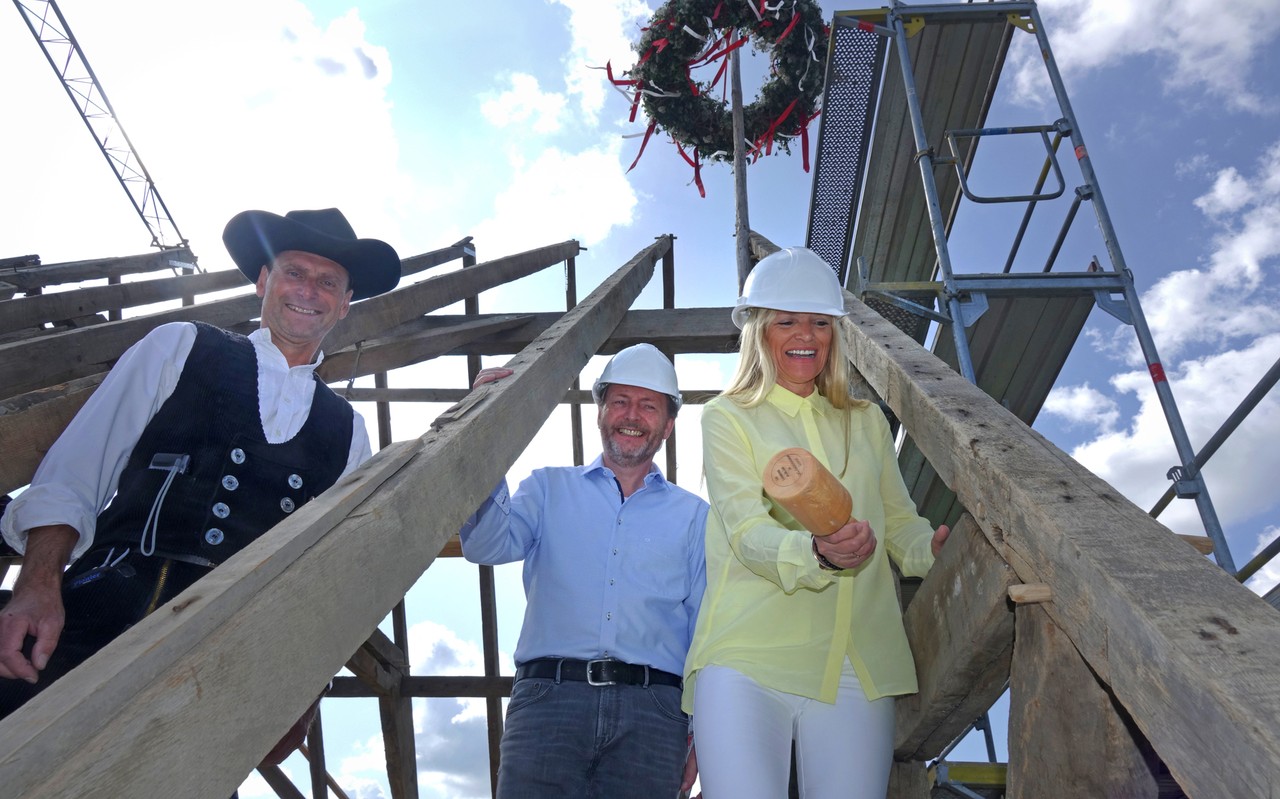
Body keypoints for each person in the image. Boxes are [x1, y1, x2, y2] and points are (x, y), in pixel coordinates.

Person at [0, 208, 401, 723]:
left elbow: (326, 571)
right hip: (99, 615)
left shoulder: (349, 431)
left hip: (225, 665)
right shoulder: (180, 346)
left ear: (345, 305)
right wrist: (36, 585)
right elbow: (76, 473)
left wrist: (301, 690)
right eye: (294, 273)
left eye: (328, 282)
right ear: (264, 281)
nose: (308, 291)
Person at [682, 247, 950, 798]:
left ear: (835, 333)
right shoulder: (726, 417)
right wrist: (819, 553)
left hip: (857, 661)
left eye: (820, 322)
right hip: (748, 655)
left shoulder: (867, 420)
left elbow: (899, 523)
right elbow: (746, 531)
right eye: (786, 320)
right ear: (759, 331)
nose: (806, 334)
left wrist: (936, 553)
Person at [460, 344, 708, 798]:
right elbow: (485, 544)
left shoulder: (696, 517)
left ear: (668, 425)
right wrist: (483, 435)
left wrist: (705, 733)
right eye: (620, 401)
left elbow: (705, 633)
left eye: (648, 405)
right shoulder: (547, 488)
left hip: (654, 713)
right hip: (549, 701)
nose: (631, 415)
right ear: (600, 412)